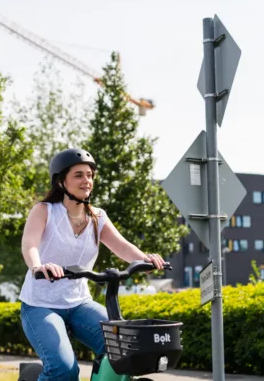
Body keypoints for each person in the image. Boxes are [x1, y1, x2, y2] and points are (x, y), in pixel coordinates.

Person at [18, 148, 166, 381]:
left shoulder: (97, 217)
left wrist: (146, 259)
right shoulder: (44, 211)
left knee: (124, 349)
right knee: (64, 370)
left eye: (90, 175)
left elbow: (124, 248)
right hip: (40, 305)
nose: (86, 180)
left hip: (79, 303)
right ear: (60, 182)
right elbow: (30, 244)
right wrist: (38, 266)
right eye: (78, 175)